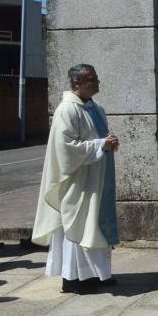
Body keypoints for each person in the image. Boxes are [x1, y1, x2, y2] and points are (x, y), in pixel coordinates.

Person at [31, 64, 120, 294]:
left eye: (96, 76)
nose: (97, 81)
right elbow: (66, 149)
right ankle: (76, 278)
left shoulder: (95, 107)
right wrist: (102, 144)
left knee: (96, 226)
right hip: (78, 181)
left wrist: (109, 141)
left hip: (97, 177)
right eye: (91, 78)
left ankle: (99, 274)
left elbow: (98, 137)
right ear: (76, 83)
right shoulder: (67, 110)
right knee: (79, 227)